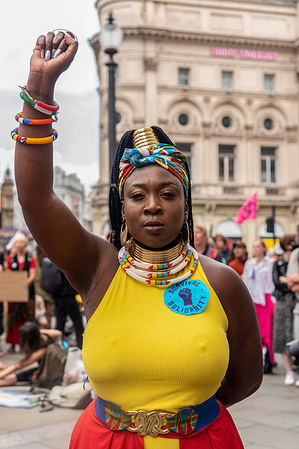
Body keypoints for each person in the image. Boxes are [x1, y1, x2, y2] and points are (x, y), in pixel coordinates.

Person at [13, 30, 263, 448]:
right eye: (138, 195)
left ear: (186, 205)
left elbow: (246, 378)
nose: (152, 205)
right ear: (122, 206)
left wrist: (185, 417)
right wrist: (40, 86)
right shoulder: (96, 267)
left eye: (168, 194)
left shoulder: (222, 282)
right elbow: (35, 198)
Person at [243, 239, 275, 373]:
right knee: (255, 330)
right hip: (254, 298)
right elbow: (245, 280)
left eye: (258, 246)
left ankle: (269, 360)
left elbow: (273, 281)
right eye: (254, 246)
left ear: (263, 248)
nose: (255, 249)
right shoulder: (249, 263)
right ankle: (257, 360)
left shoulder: (270, 263)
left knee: (267, 330)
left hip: (266, 298)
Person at [0, 321, 62, 387]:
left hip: (49, 372)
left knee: (17, 377)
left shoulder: (40, 351)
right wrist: (59, 347)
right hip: (51, 366)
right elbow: (59, 333)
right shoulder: (43, 334)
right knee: (17, 376)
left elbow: (17, 366)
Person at [272, 234, 297, 385]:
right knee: (283, 336)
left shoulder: (297, 258)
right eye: (293, 241)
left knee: (295, 335)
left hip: (296, 301)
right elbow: (276, 282)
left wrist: (286, 280)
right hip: (282, 302)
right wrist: (291, 282)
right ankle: (289, 371)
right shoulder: (278, 262)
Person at [5, 233, 36, 353]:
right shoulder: (10, 258)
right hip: (14, 293)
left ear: (25, 244)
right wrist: (15, 286)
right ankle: (13, 344)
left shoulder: (30, 258)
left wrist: (22, 285)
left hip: (27, 292)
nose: (19, 245)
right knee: (13, 318)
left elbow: (32, 275)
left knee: (27, 318)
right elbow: (8, 275)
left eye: (21, 242)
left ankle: (27, 343)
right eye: (17, 243)